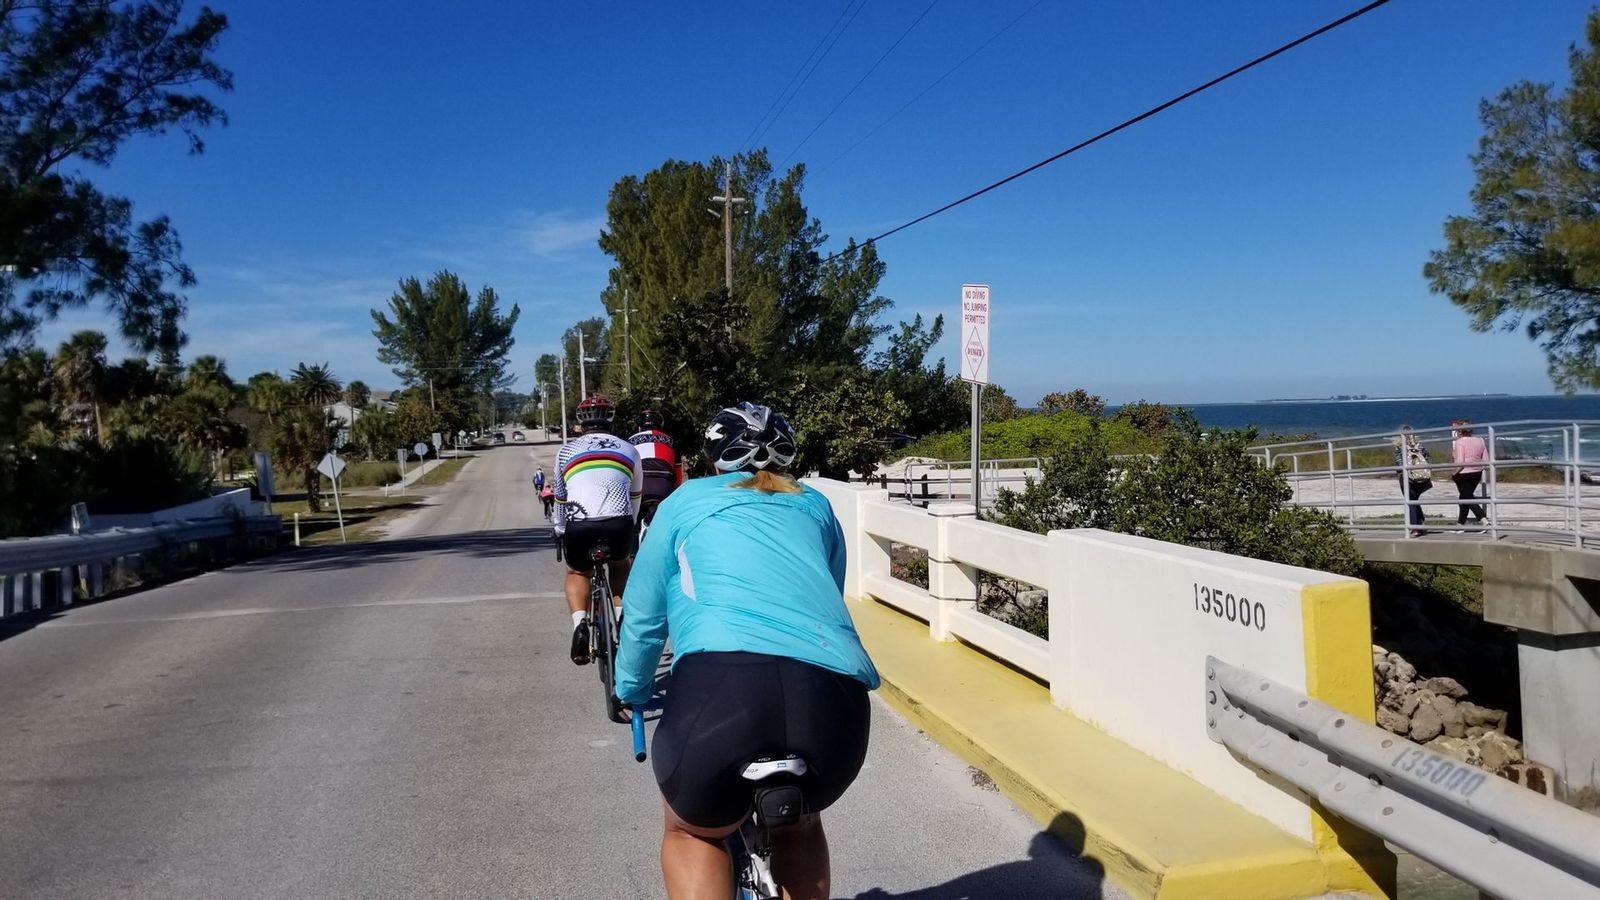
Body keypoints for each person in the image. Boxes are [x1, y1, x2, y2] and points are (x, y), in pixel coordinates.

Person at [614, 401, 879, 900]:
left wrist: (630, 688)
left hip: (721, 691)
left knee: (692, 831)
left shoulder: (684, 503)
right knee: (801, 821)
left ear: (712, 458)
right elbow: (829, 590)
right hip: (832, 697)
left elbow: (644, 617)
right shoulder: (816, 504)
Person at [554, 394, 642, 665]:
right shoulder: (629, 449)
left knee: (577, 572)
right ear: (611, 422)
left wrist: (559, 529)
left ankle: (580, 624)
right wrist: (630, 525)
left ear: (581, 425)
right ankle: (621, 619)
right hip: (619, 522)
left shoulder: (566, 451)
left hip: (580, 524)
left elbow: (560, 498)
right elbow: (635, 495)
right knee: (620, 565)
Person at [628, 408, 682, 529]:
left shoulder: (630, 441)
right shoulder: (671, 441)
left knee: (631, 525)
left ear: (639, 428)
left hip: (640, 485)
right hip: (665, 485)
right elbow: (678, 475)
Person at [1394, 424, 1433, 537]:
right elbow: (1427, 459)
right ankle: (1420, 522)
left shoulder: (1400, 447)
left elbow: (1399, 463)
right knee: (1414, 500)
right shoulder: (1420, 445)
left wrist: (1400, 474)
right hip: (1422, 477)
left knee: (1410, 501)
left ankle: (1416, 528)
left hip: (1408, 478)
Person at [1450, 420, 1488, 527]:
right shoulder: (1480, 440)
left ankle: (1483, 518)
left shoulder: (1460, 442)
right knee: (1465, 497)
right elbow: (1486, 460)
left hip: (1463, 474)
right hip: (1477, 473)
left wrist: (1453, 473)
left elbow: (1460, 463)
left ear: (1459, 431)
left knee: (1467, 497)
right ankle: (1460, 523)